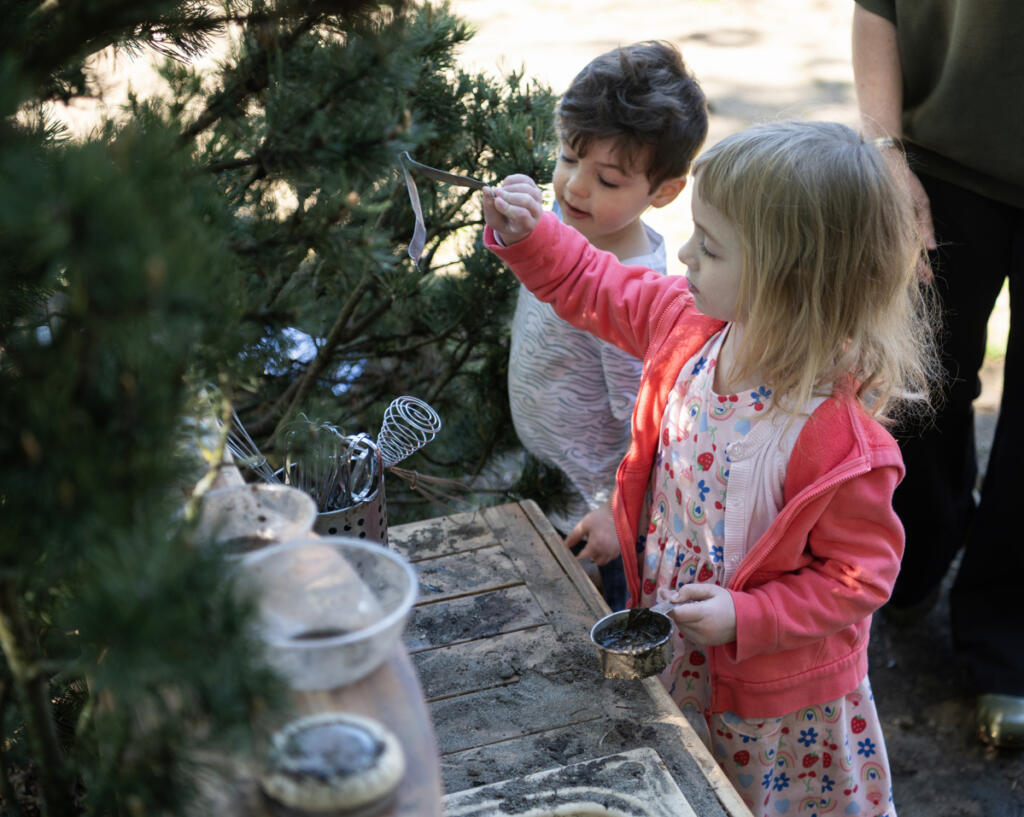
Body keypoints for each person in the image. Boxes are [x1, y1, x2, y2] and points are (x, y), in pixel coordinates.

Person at [481, 121, 938, 817]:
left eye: (712, 246)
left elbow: (859, 577)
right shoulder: (687, 327)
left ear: (791, 280)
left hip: (777, 711)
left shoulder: (835, 439)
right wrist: (530, 233)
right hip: (686, 652)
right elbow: (595, 283)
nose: (685, 254)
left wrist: (747, 614)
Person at [852, 0, 1024, 747]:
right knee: (917, 386)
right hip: (938, 160)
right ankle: (921, 548)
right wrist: (886, 151)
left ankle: (1005, 642)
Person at [507, 41, 707, 610]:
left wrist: (616, 513)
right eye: (569, 158)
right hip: (550, 466)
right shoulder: (563, 227)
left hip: (593, 505)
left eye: (608, 180)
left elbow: (648, 428)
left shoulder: (631, 298)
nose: (574, 187)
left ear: (664, 191)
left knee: (590, 624)